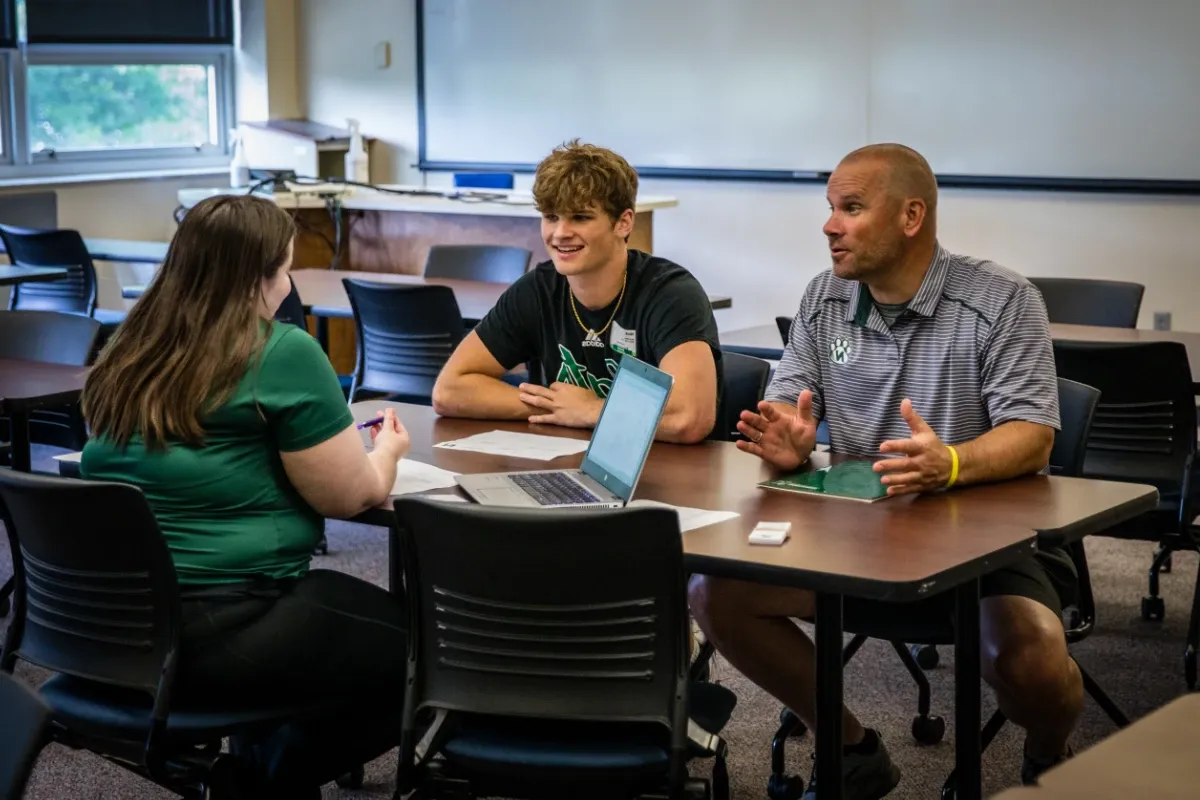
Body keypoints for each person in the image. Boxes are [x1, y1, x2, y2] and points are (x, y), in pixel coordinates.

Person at [688, 144, 1078, 799]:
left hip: (981, 541)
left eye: (851, 208)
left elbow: (1033, 438)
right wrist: (788, 438)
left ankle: (1049, 756)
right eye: (830, 209)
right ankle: (851, 748)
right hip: (855, 535)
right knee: (714, 593)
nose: (829, 225)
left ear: (911, 217)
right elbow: (790, 397)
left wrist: (951, 463)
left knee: (1029, 655)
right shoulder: (827, 298)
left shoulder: (1002, 299)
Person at [80, 194, 411, 799]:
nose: (287, 286)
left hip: (108, 628)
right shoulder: (282, 351)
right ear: (257, 276)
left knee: (332, 624)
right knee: (420, 654)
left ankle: (255, 774)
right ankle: (256, 782)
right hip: (221, 628)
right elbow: (349, 495)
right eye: (284, 269)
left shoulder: (129, 348)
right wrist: (386, 451)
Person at [432, 139, 723, 443]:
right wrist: (556, 407)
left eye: (581, 217)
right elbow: (449, 390)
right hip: (574, 463)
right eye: (551, 217)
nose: (560, 233)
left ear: (624, 223)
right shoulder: (537, 289)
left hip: (671, 476)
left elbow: (689, 418)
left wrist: (592, 411)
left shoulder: (671, 294)